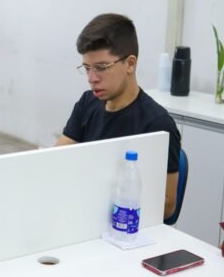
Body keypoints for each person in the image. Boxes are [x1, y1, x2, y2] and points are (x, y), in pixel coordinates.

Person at [57, 13, 181, 220]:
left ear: (130, 64)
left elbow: (168, 206)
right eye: (87, 68)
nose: (91, 78)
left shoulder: (157, 124)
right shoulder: (87, 103)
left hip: (126, 225)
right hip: (84, 213)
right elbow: (58, 158)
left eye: (101, 68)